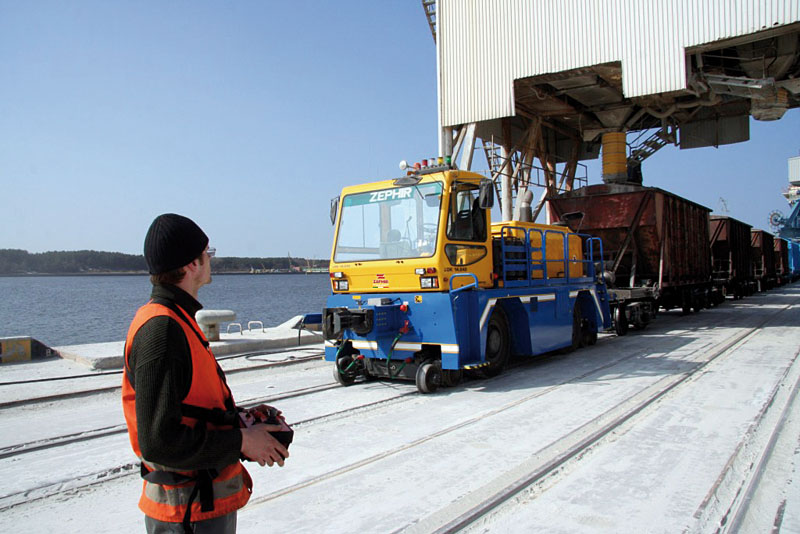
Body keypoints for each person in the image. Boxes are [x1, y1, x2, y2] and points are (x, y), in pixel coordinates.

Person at [122, 213, 289, 534]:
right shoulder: (162, 331)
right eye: (207, 253)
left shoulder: (176, 319)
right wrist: (241, 440)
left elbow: (191, 406)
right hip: (189, 512)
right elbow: (158, 442)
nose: (211, 260)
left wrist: (240, 420)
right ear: (192, 265)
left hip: (199, 504)